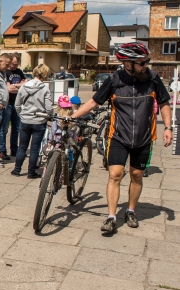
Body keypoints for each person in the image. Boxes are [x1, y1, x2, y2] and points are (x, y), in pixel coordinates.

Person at [72, 43, 173, 234]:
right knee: (115, 174)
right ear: (128, 64)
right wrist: (73, 117)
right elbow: (94, 101)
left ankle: (130, 210)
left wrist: (168, 127)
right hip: (118, 136)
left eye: (146, 61)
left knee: (136, 175)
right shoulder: (114, 80)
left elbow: (164, 102)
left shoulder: (152, 79)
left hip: (144, 138)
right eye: (142, 62)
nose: (146, 65)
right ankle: (111, 217)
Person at [11, 63, 53, 178]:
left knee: (22, 146)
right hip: (39, 120)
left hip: (25, 119)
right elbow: (49, 108)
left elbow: (17, 104)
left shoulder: (24, 86)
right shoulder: (45, 88)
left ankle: (17, 169)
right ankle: (31, 172)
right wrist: (48, 116)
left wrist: (22, 115)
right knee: (35, 147)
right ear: (44, 75)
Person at [0, 52, 25, 160]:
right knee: (4, 128)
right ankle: (2, 150)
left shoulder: (19, 72)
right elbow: (8, 89)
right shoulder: (6, 72)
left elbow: (25, 84)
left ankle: (14, 149)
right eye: (13, 64)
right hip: (7, 103)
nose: (14, 66)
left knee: (17, 128)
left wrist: (15, 86)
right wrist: (20, 86)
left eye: (16, 64)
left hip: (17, 103)